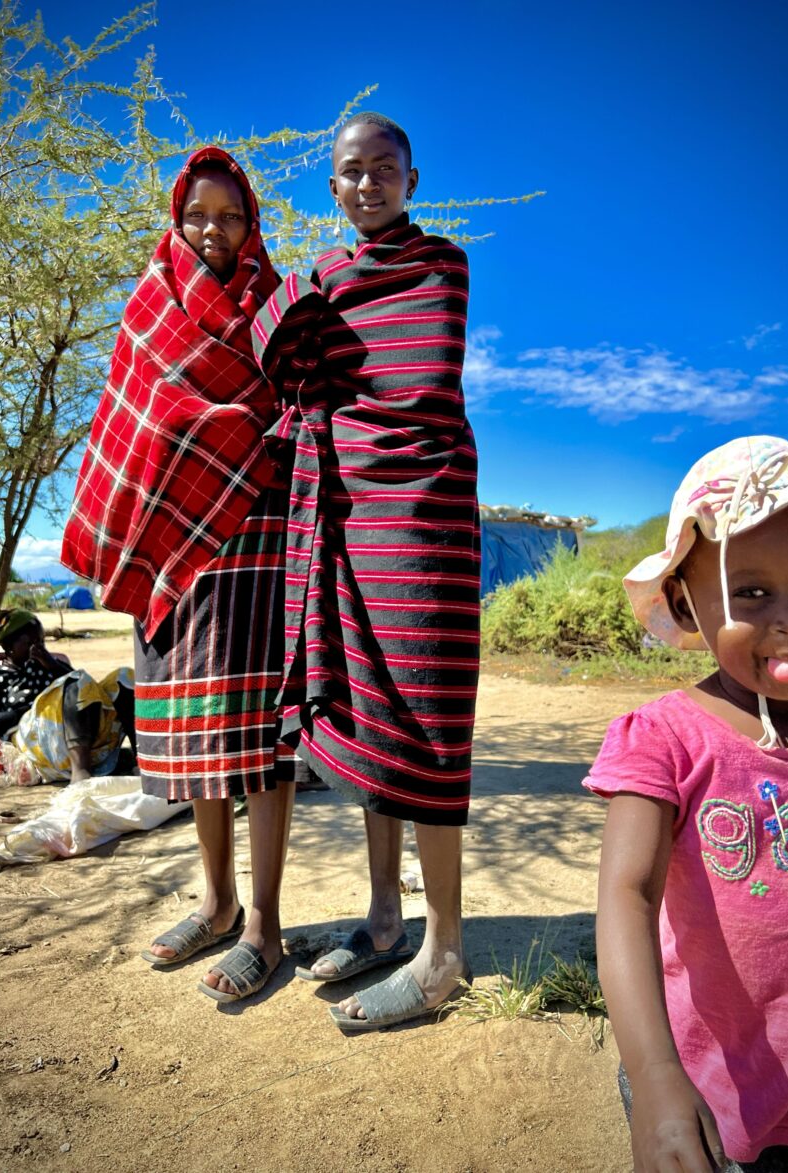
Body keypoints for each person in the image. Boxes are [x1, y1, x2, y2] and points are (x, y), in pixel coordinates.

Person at [252, 113, 479, 1029]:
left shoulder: (443, 266)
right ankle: (387, 915)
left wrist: (306, 311)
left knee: (424, 716)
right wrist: (300, 297)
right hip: (346, 520)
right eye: (353, 172)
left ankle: (445, 950)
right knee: (366, 709)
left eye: (386, 168)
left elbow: (417, 378)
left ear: (412, 179)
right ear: (334, 188)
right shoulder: (327, 278)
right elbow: (286, 361)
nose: (370, 183)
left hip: (420, 516)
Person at [62, 147, 295, 1003]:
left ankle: (265, 927)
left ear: (251, 224)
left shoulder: (273, 302)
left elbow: (293, 408)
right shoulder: (149, 304)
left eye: (230, 217)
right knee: (200, 734)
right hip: (174, 541)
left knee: (262, 739)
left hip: (257, 535)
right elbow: (131, 421)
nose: (213, 231)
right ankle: (219, 902)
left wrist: (235, 431)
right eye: (199, 215)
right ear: (177, 217)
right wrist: (208, 430)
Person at [585, 435, 788, 1172]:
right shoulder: (663, 738)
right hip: (710, 1091)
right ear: (687, 601)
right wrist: (657, 1076)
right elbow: (627, 893)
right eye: (751, 592)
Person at [0, 609, 135, 784]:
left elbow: (88, 691)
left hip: (78, 734)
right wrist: (30, 709)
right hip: (35, 741)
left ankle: (143, 759)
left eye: (41, 641)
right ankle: (81, 774)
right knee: (75, 679)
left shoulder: (51, 665)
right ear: (8, 646)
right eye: (30, 643)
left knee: (124, 677)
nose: (38, 647)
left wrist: (52, 665)